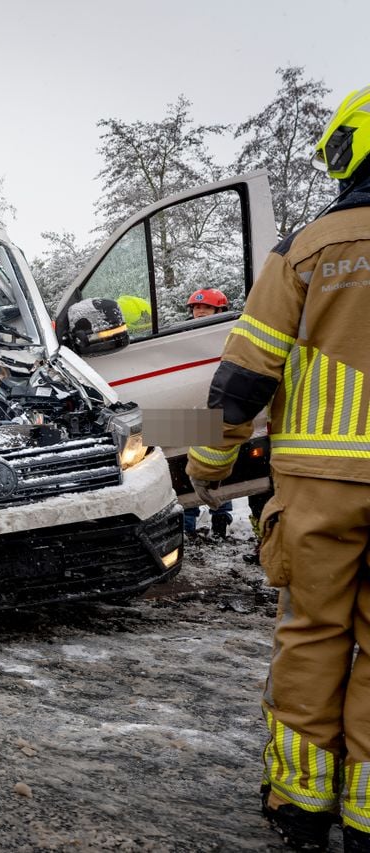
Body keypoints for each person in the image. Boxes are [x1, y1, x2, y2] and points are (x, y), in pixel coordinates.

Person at [186, 84, 370, 853]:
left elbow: (242, 379)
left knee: (313, 631)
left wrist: (208, 463)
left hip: (320, 487)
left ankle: (299, 805)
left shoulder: (305, 249)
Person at [183, 288, 235, 539]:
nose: (199, 311)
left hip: (219, 409)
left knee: (217, 469)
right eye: (196, 308)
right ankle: (187, 522)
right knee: (186, 467)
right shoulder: (180, 336)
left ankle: (220, 520)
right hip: (191, 412)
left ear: (220, 311)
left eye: (206, 308)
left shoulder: (231, 333)